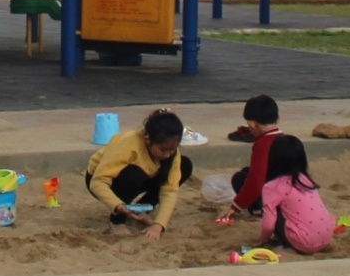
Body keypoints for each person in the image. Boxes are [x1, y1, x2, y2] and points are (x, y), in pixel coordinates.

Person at [86, 108, 192, 240]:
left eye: (171, 151)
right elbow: (98, 182)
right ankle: (117, 220)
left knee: (185, 165)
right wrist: (118, 206)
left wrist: (159, 225)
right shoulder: (128, 145)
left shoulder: (170, 153)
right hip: (103, 179)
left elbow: (170, 190)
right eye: (163, 150)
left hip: (144, 176)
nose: (167, 155)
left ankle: (138, 210)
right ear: (148, 140)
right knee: (134, 174)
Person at [257, 134, 336, 254]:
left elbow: (268, 225)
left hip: (304, 242)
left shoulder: (273, 187)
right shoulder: (305, 179)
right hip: (326, 236)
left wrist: (263, 241)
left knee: (270, 208)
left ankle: (287, 243)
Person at [215, 94, 281, 226]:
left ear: (251, 124)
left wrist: (235, 207)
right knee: (246, 171)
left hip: (274, 196)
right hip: (287, 190)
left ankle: (259, 209)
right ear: (277, 119)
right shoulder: (283, 138)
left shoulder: (262, 144)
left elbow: (255, 181)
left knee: (239, 178)